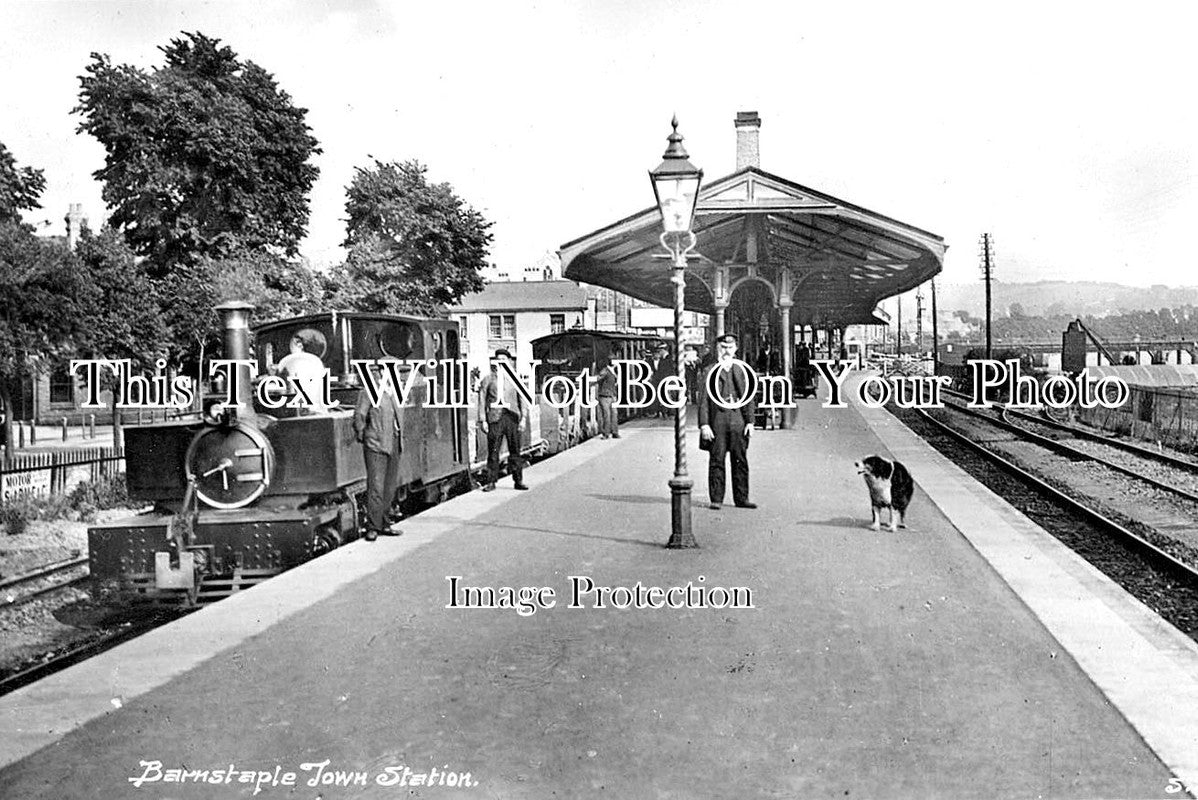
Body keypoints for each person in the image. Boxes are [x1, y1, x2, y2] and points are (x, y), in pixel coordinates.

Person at [699, 334, 756, 510]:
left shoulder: (742, 370)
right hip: (718, 421)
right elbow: (703, 400)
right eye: (723, 347)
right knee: (717, 460)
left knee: (740, 460)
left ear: (736, 349)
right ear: (717, 348)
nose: (726, 351)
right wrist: (704, 424)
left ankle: (742, 498)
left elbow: (749, 397)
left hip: (738, 420)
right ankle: (716, 499)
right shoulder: (709, 371)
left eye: (730, 347)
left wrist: (750, 422)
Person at [352, 366, 405, 541]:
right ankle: (373, 527)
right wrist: (366, 436)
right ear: (382, 373)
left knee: (390, 487)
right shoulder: (369, 390)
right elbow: (359, 416)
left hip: (394, 443)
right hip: (377, 445)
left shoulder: (395, 392)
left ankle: (384, 523)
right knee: (376, 487)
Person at [478, 348, 529, 492]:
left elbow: (522, 399)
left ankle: (518, 480)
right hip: (495, 418)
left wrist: (523, 418)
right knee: (493, 451)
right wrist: (483, 420)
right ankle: (491, 481)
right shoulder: (488, 379)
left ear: (510, 361)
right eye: (499, 359)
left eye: (504, 359)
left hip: (512, 417)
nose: (502, 362)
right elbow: (482, 400)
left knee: (515, 451)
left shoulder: (515, 378)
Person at [596, 358, 620, 439]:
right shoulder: (605, 370)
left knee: (614, 414)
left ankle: (614, 432)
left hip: (612, 395)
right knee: (607, 415)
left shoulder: (613, 371)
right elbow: (598, 379)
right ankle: (606, 433)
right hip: (605, 396)